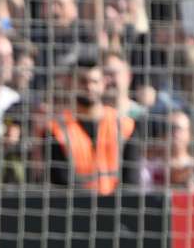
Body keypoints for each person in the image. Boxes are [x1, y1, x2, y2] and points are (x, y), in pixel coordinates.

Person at [48, 57, 139, 193]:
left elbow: (130, 179)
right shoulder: (56, 129)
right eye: (82, 81)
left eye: (95, 82)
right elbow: (60, 180)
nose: (89, 87)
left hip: (117, 206)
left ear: (103, 83)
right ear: (70, 83)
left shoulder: (124, 126)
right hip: (74, 207)